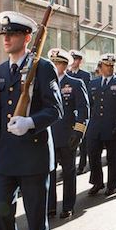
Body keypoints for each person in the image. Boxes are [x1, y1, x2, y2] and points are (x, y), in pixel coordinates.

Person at [0, 11, 63, 230]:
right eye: (4, 35)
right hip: (7, 157)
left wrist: (30, 122)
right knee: (1, 212)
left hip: (33, 157)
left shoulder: (42, 67)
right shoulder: (0, 70)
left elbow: (56, 109)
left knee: (35, 219)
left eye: (13, 34)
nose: (6, 38)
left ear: (27, 38)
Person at [47, 48, 89, 219]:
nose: (55, 66)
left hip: (67, 136)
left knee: (68, 173)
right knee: (48, 173)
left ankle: (68, 206)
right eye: (53, 63)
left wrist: (78, 133)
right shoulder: (44, 84)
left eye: (58, 63)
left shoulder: (75, 83)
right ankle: (50, 206)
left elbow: (84, 111)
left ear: (65, 65)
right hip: (48, 137)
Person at [85, 54, 116, 196]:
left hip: (113, 127)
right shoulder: (93, 84)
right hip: (95, 127)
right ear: (101, 67)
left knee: (113, 157)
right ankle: (97, 182)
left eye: (112, 65)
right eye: (107, 65)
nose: (110, 68)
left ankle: (112, 185)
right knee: (93, 156)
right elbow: (88, 106)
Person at [67, 50, 92, 176]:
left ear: (79, 61)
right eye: (72, 59)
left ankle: (82, 165)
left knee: (82, 141)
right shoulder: (66, 74)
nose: (73, 62)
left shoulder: (85, 75)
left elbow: (86, 95)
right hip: (70, 113)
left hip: (80, 111)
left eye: (76, 59)